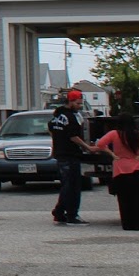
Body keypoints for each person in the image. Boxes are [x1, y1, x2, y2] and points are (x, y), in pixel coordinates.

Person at [95, 113, 139, 231]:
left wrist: (112, 154)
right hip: (137, 168)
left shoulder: (114, 134)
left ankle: (129, 224)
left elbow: (100, 144)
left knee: (124, 199)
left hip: (120, 169)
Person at [48, 89, 98, 226]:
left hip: (60, 154)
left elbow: (51, 130)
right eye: (78, 103)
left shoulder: (56, 116)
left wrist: (56, 146)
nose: (80, 105)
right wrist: (88, 148)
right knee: (73, 186)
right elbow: (74, 136)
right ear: (70, 102)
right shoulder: (71, 117)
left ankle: (59, 212)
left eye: (81, 103)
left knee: (66, 185)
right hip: (70, 155)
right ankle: (72, 215)